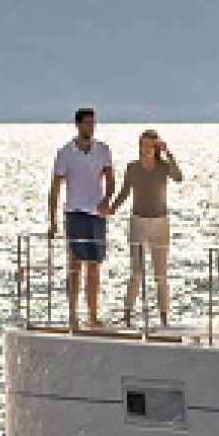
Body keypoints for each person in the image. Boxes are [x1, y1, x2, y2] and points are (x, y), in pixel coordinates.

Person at [48, 107, 115, 332]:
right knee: (74, 266)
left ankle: (93, 316)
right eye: (87, 123)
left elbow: (111, 179)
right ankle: (72, 315)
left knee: (94, 267)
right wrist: (52, 221)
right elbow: (55, 188)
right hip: (74, 213)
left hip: (96, 215)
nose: (91, 127)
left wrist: (107, 199)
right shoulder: (65, 152)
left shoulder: (103, 150)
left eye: (93, 123)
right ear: (78, 125)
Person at [115, 129, 184, 329]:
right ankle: (127, 314)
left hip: (160, 223)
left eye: (149, 145)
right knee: (136, 272)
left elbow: (179, 177)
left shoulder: (163, 167)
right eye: (143, 145)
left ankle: (164, 318)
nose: (145, 149)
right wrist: (110, 208)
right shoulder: (132, 168)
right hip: (138, 222)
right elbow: (124, 193)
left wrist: (168, 152)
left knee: (160, 274)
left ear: (156, 147)